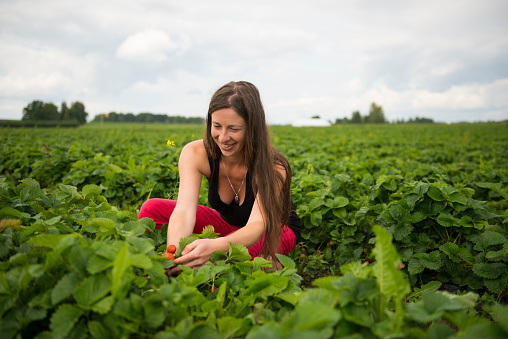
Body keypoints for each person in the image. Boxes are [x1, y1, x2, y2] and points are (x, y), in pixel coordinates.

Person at [138, 81, 301, 274]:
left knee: (239, 257)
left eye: (233, 128)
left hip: (272, 230)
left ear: (252, 128)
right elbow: (183, 211)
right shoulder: (195, 152)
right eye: (217, 126)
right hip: (227, 226)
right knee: (152, 209)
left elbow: (258, 225)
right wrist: (175, 253)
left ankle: (234, 259)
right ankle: (197, 259)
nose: (223, 137)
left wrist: (217, 246)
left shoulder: (273, 167)